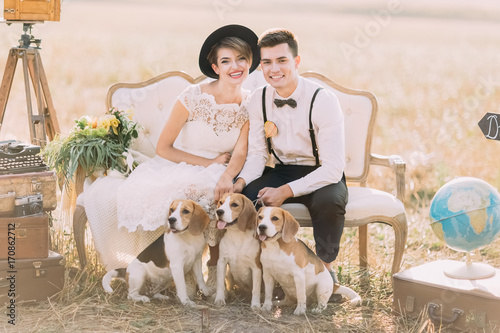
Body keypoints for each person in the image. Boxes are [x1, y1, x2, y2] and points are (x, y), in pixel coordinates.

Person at [84, 24, 259, 273]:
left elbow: (241, 152)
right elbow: (164, 148)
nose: (236, 66)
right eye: (226, 61)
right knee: (186, 192)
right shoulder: (192, 97)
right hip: (182, 165)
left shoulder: (252, 103)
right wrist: (209, 163)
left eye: (242, 59)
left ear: (250, 62)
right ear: (215, 68)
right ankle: (162, 267)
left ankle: (214, 266)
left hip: (223, 169)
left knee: (220, 192)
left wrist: (226, 175)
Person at [235, 28, 348, 291]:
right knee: (247, 200)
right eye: (266, 62)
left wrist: (285, 192)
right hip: (283, 171)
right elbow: (257, 155)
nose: (274, 69)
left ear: (296, 62)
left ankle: (324, 273)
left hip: (321, 173)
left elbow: (333, 167)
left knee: (329, 202)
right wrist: (239, 183)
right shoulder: (258, 100)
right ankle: (258, 270)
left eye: (281, 60)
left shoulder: (323, 100)